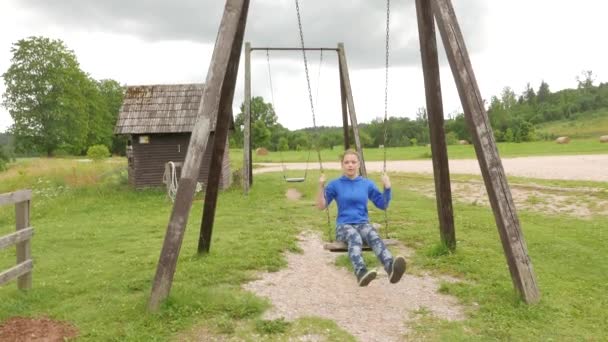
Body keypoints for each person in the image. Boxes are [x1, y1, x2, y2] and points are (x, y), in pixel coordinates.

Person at [316, 149, 406, 287]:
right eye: (346, 162)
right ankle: (361, 272)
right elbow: (321, 206)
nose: (350, 165)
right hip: (343, 226)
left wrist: (387, 187)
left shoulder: (367, 184)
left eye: (353, 162)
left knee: (373, 235)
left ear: (359, 164)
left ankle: (391, 268)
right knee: (354, 237)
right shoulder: (335, 184)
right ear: (342, 165)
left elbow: (383, 204)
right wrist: (321, 186)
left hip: (362, 223)